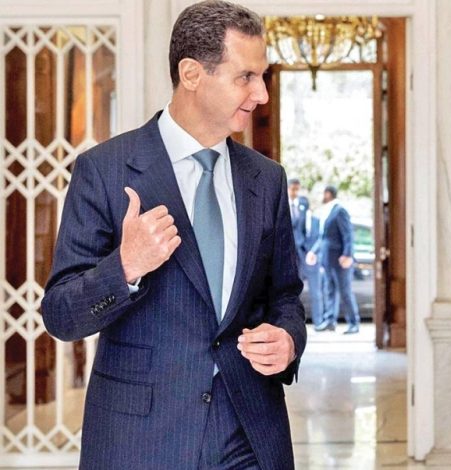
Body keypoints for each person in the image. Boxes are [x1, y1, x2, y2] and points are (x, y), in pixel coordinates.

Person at [41, 2, 305, 469]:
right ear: (191, 74)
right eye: (246, 77)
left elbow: (284, 296)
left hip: (250, 432)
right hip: (140, 438)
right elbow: (61, 314)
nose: (262, 94)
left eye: (262, 76)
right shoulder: (103, 170)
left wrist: (288, 339)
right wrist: (126, 266)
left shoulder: (266, 179)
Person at [306, 185, 360, 334]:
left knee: (345, 291)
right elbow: (324, 237)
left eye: (323, 193)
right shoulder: (327, 211)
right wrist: (313, 251)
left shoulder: (340, 211)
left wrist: (347, 255)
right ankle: (330, 321)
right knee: (329, 290)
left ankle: (354, 323)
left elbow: (348, 235)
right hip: (327, 260)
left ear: (328, 194)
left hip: (340, 260)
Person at [288, 178, 324, 327]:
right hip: (291, 254)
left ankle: (318, 322)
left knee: (315, 291)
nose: (295, 192)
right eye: (293, 189)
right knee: (292, 291)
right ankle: (293, 323)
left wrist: (312, 251)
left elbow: (318, 236)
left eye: (298, 189)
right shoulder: (282, 204)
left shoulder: (304, 207)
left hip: (306, 253)